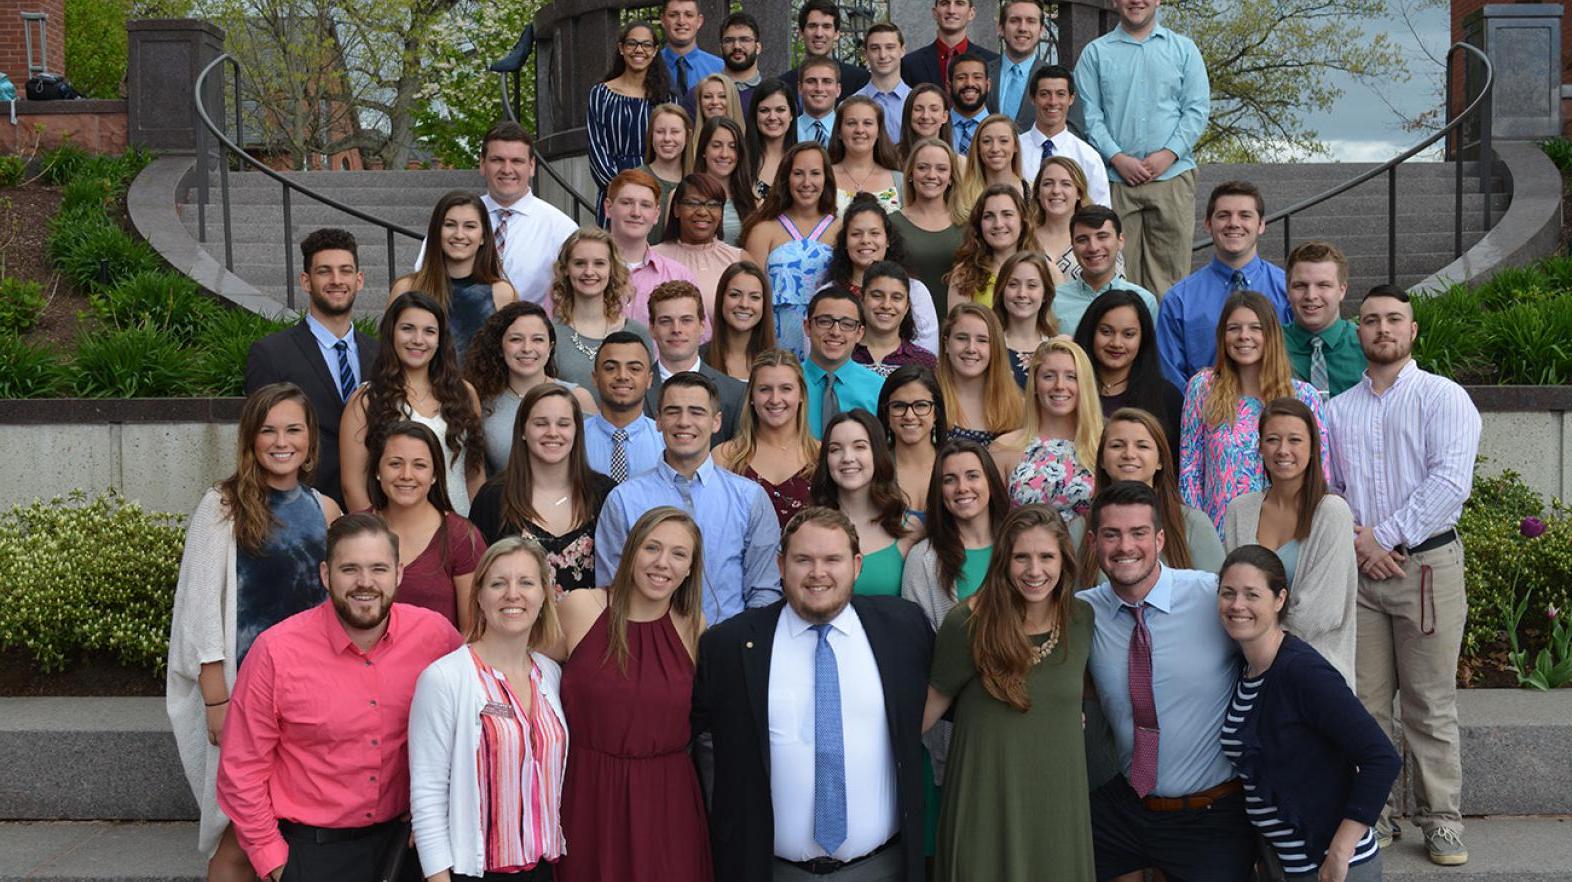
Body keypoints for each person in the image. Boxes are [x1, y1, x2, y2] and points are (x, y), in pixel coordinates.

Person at [216, 514, 464, 882]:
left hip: (406, 847)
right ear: (325, 575)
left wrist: (441, 814)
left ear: (398, 573)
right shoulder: (275, 652)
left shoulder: (436, 637)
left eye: (378, 568)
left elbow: (470, 726)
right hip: (314, 854)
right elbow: (241, 771)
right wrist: (278, 865)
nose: (365, 583)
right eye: (350, 569)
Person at [691, 506, 933, 882]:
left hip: (883, 868)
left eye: (832, 559)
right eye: (803, 559)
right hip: (769, 871)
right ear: (781, 565)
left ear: (856, 565)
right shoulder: (730, 646)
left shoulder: (903, 628)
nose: (818, 573)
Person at [1327, 284, 1481, 865]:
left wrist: (1382, 538)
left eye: (1394, 319)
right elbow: (1331, 490)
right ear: (1357, 332)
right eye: (1370, 321)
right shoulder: (1339, 410)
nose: (1382, 329)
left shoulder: (1443, 398)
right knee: (1364, 702)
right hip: (1361, 572)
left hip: (1425, 567)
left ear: (1412, 331)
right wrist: (1360, 543)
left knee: (1429, 703)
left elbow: (1448, 483)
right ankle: (1377, 815)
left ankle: (1441, 820)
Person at [167, 384, 342, 881]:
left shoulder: (325, 509)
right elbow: (200, 609)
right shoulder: (222, 506)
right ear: (250, 438)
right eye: (268, 430)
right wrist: (216, 699)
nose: (281, 441)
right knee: (242, 827)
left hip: (307, 694)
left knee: (282, 824)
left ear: (310, 440)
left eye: (293, 429)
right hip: (245, 693)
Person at [1075, 480, 1257, 882]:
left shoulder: (1212, 597)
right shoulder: (1081, 612)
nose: (1125, 546)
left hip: (1210, 812)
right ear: (1093, 542)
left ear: (1159, 539)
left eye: (1138, 533)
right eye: (1112, 534)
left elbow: (1277, 657)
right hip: (1127, 804)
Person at [923, 504, 1096, 882]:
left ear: (1064, 560)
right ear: (1003, 560)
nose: (1035, 571)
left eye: (1047, 556)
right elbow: (925, 713)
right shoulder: (968, 623)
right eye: (1022, 557)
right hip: (986, 803)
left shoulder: (1081, 619)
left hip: (1058, 808)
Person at [1215, 545, 1401, 882]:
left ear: (1279, 599)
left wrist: (1340, 853)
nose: (1237, 605)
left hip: (1332, 866)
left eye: (1251, 594)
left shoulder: (1302, 671)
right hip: (1285, 863)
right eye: (1228, 593)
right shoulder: (1247, 672)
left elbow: (1381, 757)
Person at [555, 507, 713, 882]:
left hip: (667, 798)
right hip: (588, 792)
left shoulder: (694, 626)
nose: (663, 563)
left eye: (679, 554)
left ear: (691, 568)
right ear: (630, 552)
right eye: (651, 548)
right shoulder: (581, 608)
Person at [408, 536, 569, 882]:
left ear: (544, 595)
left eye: (526, 582)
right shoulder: (445, 678)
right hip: (473, 872)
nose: (513, 594)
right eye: (498, 583)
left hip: (542, 869)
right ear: (479, 596)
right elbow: (427, 796)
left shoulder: (551, 675)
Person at [597, 370, 784, 624]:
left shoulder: (749, 498)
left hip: (728, 646)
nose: (684, 422)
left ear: (716, 422)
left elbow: (764, 590)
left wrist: (743, 646)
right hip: (649, 650)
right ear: (658, 420)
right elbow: (614, 591)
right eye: (673, 411)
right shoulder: (623, 500)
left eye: (697, 412)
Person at [1075, 0, 1210, 295]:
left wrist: (1169, 153)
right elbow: (1091, 116)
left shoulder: (1184, 50)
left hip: (1172, 178)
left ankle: (1166, 342)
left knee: (1172, 281)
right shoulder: (1095, 53)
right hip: (1116, 180)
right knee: (1118, 280)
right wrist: (1117, 157)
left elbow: (1196, 110)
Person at [1223, 397, 1357, 685]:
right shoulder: (1239, 510)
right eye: (1273, 439)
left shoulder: (1332, 513)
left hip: (1315, 674)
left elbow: (1321, 614)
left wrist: (1255, 640)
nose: (1283, 450)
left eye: (1295, 440)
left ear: (1312, 449)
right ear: (1260, 447)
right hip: (1250, 673)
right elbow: (1232, 596)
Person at [245, 228, 376, 508]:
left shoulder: (382, 355)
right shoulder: (271, 355)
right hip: (299, 509)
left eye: (345, 271)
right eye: (325, 272)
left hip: (374, 509)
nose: (337, 280)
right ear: (306, 281)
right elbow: (260, 438)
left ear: (359, 280)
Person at [1180, 290, 1330, 532]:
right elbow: (1190, 470)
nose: (1244, 336)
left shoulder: (1303, 396)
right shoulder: (1203, 388)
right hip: (1220, 535)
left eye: (1255, 328)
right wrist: (1198, 537)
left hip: (1285, 533)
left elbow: (1320, 473)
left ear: (1270, 334)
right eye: (1234, 328)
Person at [341, 292, 484, 516]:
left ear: (440, 339)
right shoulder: (367, 399)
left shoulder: (464, 393)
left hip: (459, 527)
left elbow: (475, 473)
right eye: (407, 328)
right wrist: (379, 539)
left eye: (429, 331)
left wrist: (476, 532)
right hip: (392, 533)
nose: (418, 339)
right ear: (391, 333)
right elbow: (353, 487)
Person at [469, 385, 617, 594]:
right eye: (541, 424)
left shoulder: (604, 493)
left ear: (577, 430)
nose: (553, 433)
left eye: (563, 424)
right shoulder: (493, 498)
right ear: (522, 430)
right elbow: (477, 580)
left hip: (593, 625)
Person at [420, 122, 577, 306]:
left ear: (532, 166)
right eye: (497, 160)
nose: (507, 169)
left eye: (517, 161)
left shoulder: (561, 229)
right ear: (482, 164)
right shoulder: (456, 221)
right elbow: (425, 274)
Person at [1067, 407, 1225, 585]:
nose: (1129, 454)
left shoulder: (1193, 523)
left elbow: (1218, 594)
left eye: (1142, 446)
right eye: (1117, 445)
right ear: (1102, 460)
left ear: (1160, 461)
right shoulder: (1079, 531)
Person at [1159, 180, 1292, 389]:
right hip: (1204, 416)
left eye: (1245, 215)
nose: (1234, 223)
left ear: (1261, 225)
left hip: (1278, 412)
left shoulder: (1289, 292)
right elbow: (1171, 378)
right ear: (1208, 224)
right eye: (1223, 215)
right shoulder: (1178, 300)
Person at [365, 421, 487, 628]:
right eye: (395, 464)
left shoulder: (461, 537)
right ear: (377, 471)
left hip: (440, 659)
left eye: (419, 465)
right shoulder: (352, 532)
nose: (406, 475)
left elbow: (472, 632)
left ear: (435, 475)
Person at [466, 301, 599, 474]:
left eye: (537, 339)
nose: (527, 348)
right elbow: (475, 472)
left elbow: (596, 462)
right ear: (500, 346)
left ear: (550, 347)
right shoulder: (483, 402)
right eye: (516, 339)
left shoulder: (578, 397)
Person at [392, 191, 519, 363]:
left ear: (483, 236)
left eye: (470, 226)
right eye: (450, 225)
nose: (459, 234)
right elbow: (389, 353)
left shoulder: (502, 293)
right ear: (437, 232)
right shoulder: (407, 288)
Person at [740, 142, 839, 357]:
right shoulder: (763, 230)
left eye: (815, 173)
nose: (807, 182)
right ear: (786, 178)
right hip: (775, 343)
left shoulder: (842, 230)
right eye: (798, 174)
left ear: (826, 179)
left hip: (829, 340)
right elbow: (749, 293)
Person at [902, 439, 1009, 630]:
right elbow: (916, 636)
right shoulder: (923, 558)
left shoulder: (1016, 544)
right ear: (939, 491)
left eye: (972, 476)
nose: (962, 488)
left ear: (990, 482)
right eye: (949, 480)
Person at [811, 409, 920, 596]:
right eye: (835, 449)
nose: (847, 458)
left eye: (859, 447)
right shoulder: (807, 528)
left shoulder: (910, 528)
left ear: (877, 453)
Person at [994, 339, 1101, 524]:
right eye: (1049, 376)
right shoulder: (1003, 447)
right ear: (1035, 384)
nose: (1059, 385)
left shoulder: (1104, 446)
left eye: (1071, 376)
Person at [714, 348, 820, 528]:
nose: (775, 399)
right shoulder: (725, 456)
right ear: (752, 397)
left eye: (786, 389)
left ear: (801, 394)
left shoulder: (821, 455)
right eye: (765, 389)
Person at [549, 228, 656, 396]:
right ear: (565, 269)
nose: (589, 272)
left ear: (611, 269)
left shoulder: (637, 332)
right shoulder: (550, 334)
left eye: (599, 263)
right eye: (579, 263)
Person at [1071, 290, 1182, 450]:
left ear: (1143, 339)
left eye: (1128, 334)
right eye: (1106, 332)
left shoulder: (1166, 397)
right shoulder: (1070, 390)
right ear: (1090, 332)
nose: (1116, 343)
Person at [642, 279, 748, 442]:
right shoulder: (636, 390)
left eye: (686, 320)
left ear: (702, 326)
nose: (676, 329)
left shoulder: (735, 393)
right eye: (666, 321)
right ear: (652, 328)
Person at [589, 20, 671, 224]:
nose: (639, 50)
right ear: (621, 49)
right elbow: (597, 147)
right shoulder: (601, 94)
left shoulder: (667, 97)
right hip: (614, 188)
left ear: (654, 51)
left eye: (646, 45)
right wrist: (620, 192)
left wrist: (653, 192)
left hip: (658, 188)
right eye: (632, 43)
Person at [605, 168, 700, 325]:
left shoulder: (678, 276)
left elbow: (696, 338)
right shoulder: (583, 271)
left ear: (656, 214)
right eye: (626, 203)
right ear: (608, 208)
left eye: (645, 205)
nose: (636, 212)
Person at [1055, 205, 1159, 339]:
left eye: (1102, 236)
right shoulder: (1054, 301)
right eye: (1082, 240)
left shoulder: (1145, 301)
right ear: (1072, 247)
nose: (1093, 247)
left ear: (1120, 241)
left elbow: (1150, 356)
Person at [1017, 65, 1110, 207]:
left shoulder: (1088, 157)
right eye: (1044, 94)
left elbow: (1101, 212)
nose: (1053, 102)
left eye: (1060, 94)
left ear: (1071, 99)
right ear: (1032, 98)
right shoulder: (1015, 150)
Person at [891, 138, 967, 312]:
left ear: (951, 178)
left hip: (957, 327)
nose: (932, 175)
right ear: (910, 174)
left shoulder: (967, 225)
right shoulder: (891, 223)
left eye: (941, 169)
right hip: (907, 326)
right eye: (923, 167)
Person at [799, 287, 885, 440]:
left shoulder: (879, 388)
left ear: (860, 333)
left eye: (847, 324)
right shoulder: (787, 382)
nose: (835, 332)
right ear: (807, 327)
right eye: (825, 321)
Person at [652, 173, 749, 307]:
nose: (703, 212)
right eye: (693, 203)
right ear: (676, 209)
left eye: (713, 205)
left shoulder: (739, 259)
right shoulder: (653, 259)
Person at [1284, 240, 1365, 397]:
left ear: (1342, 290)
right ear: (1288, 290)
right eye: (1300, 285)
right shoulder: (1268, 345)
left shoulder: (1365, 346)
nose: (1311, 296)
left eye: (1323, 285)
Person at [936, 302, 1022, 447]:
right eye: (962, 338)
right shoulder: (929, 399)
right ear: (946, 344)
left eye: (982, 340)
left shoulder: (1019, 407)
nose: (971, 348)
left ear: (995, 347)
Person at [584, 331, 664, 481]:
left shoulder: (665, 441)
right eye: (610, 368)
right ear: (595, 378)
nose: (622, 376)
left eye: (634, 369)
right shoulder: (574, 439)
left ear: (649, 380)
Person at [1031, 156, 1121, 284]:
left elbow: (1119, 292)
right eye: (1048, 183)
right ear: (1038, 193)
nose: (1056, 190)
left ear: (1079, 192)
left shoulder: (1101, 240)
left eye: (1066, 184)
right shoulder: (1023, 239)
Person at [878, 365, 949, 518]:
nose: (909, 416)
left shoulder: (955, 464)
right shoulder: (873, 469)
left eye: (921, 405)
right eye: (898, 406)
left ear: (936, 413)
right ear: (886, 413)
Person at [947, 184, 1033, 309]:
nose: (998, 224)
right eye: (989, 216)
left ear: (1022, 220)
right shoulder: (965, 275)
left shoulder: (1046, 270)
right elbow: (959, 326)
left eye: (1007, 214)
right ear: (979, 224)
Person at [852, 260, 938, 376]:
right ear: (862, 300)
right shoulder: (843, 355)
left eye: (896, 298)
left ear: (907, 306)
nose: (886, 305)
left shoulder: (925, 362)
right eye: (877, 296)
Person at [776, 0, 870, 102]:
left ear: (837, 34)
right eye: (812, 26)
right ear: (801, 33)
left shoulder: (859, 81)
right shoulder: (783, 84)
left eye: (826, 27)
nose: (819, 34)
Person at [993, 250, 1061, 385]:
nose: (1022, 293)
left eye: (1032, 285)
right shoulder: (987, 346)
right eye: (1013, 284)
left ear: (1045, 294)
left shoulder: (1058, 349)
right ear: (1001, 291)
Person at [702, 260, 778, 380]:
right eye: (735, 295)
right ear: (721, 299)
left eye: (754, 297)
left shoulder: (779, 364)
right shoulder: (698, 360)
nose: (744, 304)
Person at [828, 96, 903, 213]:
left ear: (879, 131)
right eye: (851, 123)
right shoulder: (823, 178)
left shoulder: (899, 181)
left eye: (867, 123)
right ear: (839, 132)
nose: (859, 130)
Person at [902, 0, 1000, 88]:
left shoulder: (993, 62)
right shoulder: (910, 64)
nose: (951, 10)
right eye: (944, 3)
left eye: (959, 3)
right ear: (935, 13)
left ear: (971, 13)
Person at [691, 116, 758, 244]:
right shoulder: (681, 195)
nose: (724, 154)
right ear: (703, 151)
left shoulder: (752, 199)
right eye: (716, 146)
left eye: (733, 147)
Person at [986, 0, 1050, 130]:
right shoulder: (982, 74)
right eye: (1014, 20)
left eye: (1031, 21)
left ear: (1041, 30)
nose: (1022, 28)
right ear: (1001, 28)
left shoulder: (1058, 79)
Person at [639, 104, 694, 243]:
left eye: (675, 132)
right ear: (651, 135)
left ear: (687, 136)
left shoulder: (698, 180)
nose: (667, 138)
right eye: (660, 131)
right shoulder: (635, 179)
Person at [853, 22, 910, 144]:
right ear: (865, 54)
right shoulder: (851, 105)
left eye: (890, 47)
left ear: (902, 50)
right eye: (875, 48)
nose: (883, 55)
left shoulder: (917, 102)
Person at [955, 114, 1023, 214]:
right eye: (987, 141)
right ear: (978, 148)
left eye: (1003, 141)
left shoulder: (1030, 192)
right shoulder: (962, 195)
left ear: (1016, 146)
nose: (995, 148)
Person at [659, 0, 723, 99]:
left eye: (689, 15)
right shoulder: (650, 65)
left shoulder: (720, 68)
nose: (681, 22)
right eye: (673, 15)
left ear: (699, 21)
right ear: (663, 20)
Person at [745, 79, 798, 199]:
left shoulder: (803, 160)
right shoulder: (741, 160)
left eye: (780, 110)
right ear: (754, 115)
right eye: (764, 110)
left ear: (791, 114)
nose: (772, 117)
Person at [945, 53, 992, 156]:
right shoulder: (937, 126)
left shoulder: (1003, 131)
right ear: (949, 86)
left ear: (988, 85)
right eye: (961, 78)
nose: (970, 83)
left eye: (977, 77)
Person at [898, 84, 956, 164]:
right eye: (918, 109)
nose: (925, 116)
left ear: (945, 116)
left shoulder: (959, 163)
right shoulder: (893, 158)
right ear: (908, 114)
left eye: (934, 109)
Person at [795, 55, 842, 147]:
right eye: (811, 81)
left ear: (838, 89)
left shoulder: (848, 130)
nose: (819, 89)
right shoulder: (787, 130)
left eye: (827, 82)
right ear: (799, 88)